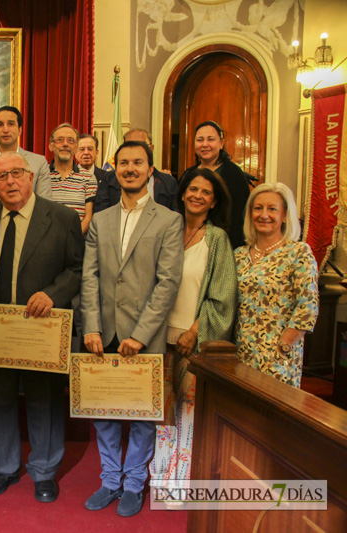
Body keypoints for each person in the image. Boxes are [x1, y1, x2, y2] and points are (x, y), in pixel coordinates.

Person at [0, 151, 84, 503]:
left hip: (42, 330)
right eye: (2, 177)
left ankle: (44, 471)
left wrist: (52, 295)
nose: (10, 182)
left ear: (31, 177)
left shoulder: (62, 217)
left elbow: (77, 269)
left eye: (17, 173)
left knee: (43, 399)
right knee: (0, 400)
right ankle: (4, 468)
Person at [81, 140, 183, 517]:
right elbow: (89, 276)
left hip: (144, 337)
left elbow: (168, 282)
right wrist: (90, 325)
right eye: (123, 163)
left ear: (149, 170)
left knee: (142, 416)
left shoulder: (169, 220)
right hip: (102, 334)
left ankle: (134, 484)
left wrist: (141, 334)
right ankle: (110, 480)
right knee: (103, 412)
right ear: (116, 168)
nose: (129, 169)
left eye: (137, 163)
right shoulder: (102, 219)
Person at [149, 168, 237, 488]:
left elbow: (223, 296)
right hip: (158, 338)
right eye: (193, 189)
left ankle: (182, 483)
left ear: (214, 202)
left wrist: (194, 332)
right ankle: (161, 477)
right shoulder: (167, 229)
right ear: (182, 193)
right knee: (161, 411)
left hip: (192, 341)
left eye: (206, 192)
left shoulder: (218, 240)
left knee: (188, 415)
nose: (198, 195)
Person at [235, 182, 319, 388]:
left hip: (278, 358)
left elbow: (307, 308)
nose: (264, 215)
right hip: (240, 355)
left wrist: (283, 347)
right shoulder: (238, 255)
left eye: (272, 209)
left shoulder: (298, 252)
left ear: (284, 215)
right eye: (258, 208)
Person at [180, 120, 251, 248]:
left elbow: (240, 216)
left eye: (210, 139)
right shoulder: (189, 174)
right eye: (200, 140)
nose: (205, 144)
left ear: (221, 144)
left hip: (225, 243)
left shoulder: (233, 173)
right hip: (190, 241)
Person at [0, 106, 52, 214]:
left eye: (11, 124)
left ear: (20, 130)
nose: (5, 130)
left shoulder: (39, 162)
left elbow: (44, 205)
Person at [95, 128, 178, 212]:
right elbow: (101, 214)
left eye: (142, 145)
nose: (136, 150)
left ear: (151, 148)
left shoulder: (168, 182)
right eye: (130, 145)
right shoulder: (109, 179)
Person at [48, 123, 97, 235]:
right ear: (51, 146)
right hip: (46, 243)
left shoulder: (88, 177)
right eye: (60, 140)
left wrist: (71, 240)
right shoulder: (42, 174)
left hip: (76, 243)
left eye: (70, 140)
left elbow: (88, 218)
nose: (65, 144)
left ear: (76, 147)